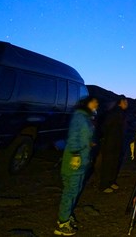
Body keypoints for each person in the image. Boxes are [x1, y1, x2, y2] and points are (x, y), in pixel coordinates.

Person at [54, 96, 99, 236]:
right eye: (94, 102)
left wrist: (89, 143)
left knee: (76, 189)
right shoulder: (79, 116)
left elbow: (83, 136)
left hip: (82, 158)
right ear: (86, 103)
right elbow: (73, 136)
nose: (96, 104)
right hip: (75, 160)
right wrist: (74, 154)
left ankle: (67, 215)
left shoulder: (86, 117)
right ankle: (62, 223)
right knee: (71, 190)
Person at [99, 95, 128, 193]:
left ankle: (111, 182)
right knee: (108, 163)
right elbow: (105, 126)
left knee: (115, 163)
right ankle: (104, 185)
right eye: (126, 102)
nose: (127, 104)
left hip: (117, 142)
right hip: (110, 142)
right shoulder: (114, 113)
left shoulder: (121, 113)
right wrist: (106, 137)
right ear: (121, 102)